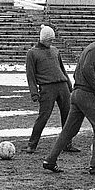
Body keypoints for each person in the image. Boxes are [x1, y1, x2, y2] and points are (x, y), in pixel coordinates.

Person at [42, 24, 95, 174]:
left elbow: (79, 70)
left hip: (77, 93)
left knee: (69, 130)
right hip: (86, 94)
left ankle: (50, 160)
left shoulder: (90, 47)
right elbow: (87, 69)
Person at [25, 25, 77, 154]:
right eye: (49, 39)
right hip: (47, 88)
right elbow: (30, 75)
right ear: (42, 39)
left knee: (68, 114)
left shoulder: (55, 51)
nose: (51, 42)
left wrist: (69, 85)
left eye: (52, 40)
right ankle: (32, 144)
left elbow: (62, 69)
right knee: (44, 116)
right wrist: (34, 93)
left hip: (62, 85)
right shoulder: (32, 53)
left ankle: (67, 143)